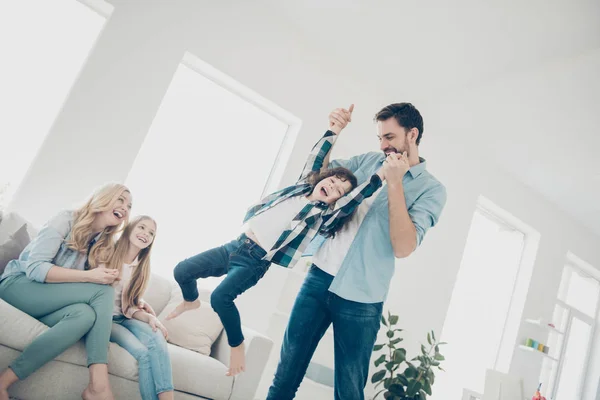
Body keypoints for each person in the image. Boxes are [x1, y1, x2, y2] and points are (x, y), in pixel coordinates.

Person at [168, 109, 385, 376]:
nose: (334, 187)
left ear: (334, 202)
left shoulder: (321, 216)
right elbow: (315, 159)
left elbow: (353, 200)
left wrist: (380, 177)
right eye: (333, 180)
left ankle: (237, 345)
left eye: (339, 191)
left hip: (254, 261)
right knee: (182, 270)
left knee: (221, 297)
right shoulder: (303, 187)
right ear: (323, 178)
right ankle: (190, 299)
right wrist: (334, 131)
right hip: (234, 246)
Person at [267, 103, 447, 400]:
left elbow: (404, 247)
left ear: (412, 134)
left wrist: (395, 183)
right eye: (380, 138)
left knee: (349, 392)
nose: (383, 146)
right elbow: (314, 180)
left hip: (363, 299)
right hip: (318, 279)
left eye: (389, 137)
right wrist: (333, 132)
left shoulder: (432, 190)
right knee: (284, 378)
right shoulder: (368, 160)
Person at [0, 183, 134, 400]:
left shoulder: (100, 242)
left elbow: (85, 289)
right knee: (102, 293)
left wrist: (106, 279)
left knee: (85, 315)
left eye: (129, 206)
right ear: (104, 198)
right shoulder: (66, 218)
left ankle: (3, 382)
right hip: (17, 286)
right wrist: (91, 277)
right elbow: (35, 268)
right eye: (121, 199)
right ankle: (98, 385)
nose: (125, 208)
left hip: (46, 300)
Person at [107, 215, 174, 400]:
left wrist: (151, 318)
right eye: (142, 228)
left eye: (151, 233)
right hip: (105, 320)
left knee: (156, 336)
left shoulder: (141, 269)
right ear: (129, 228)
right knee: (143, 355)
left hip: (125, 318)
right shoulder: (108, 252)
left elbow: (130, 306)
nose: (145, 234)